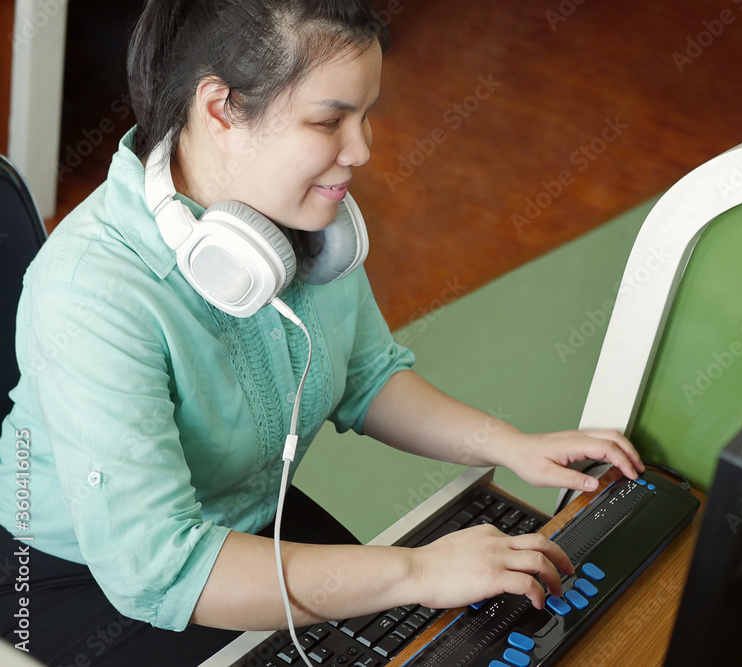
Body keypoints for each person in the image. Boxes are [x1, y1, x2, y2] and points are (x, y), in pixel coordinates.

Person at [0, 0, 643, 664]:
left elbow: (368, 375)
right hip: (79, 575)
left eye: (365, 116)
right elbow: (160, 567)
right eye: (330, 120)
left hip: (245, 522)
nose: (362, 150)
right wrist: (417, 570)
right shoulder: (91, 290)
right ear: (220, 107)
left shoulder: (298, 220)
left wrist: (512, 444)